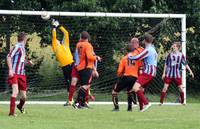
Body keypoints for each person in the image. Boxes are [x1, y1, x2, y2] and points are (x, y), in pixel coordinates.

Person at [128, 33, 157, 112]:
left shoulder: (148, 49)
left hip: (148, 72)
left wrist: (129, 56)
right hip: (152, 72)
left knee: (135, 88)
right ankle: (141, 108)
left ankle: (146, 103)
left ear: (145, 40)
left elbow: (138, 57)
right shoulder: (152, 49)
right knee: (140, 89)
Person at [112, 38, 143, 111]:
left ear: (126, 50)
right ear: (133, 50)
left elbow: (119, 71)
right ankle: (129, 108)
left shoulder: (124, 58)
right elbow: (140, 68)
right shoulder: (137, 58)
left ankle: (116, 108)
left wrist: (120, 76)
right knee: (129, 91)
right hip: (135, 77)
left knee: (114, 92)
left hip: (127, 77)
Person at [73, 31, 101, 108]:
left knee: (84, 85)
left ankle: (81, 103)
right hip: (86, 67)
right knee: (85, 85)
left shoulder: (78, 44)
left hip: (80, 67)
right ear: (87, 38)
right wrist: (97, 58)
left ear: (81, 37)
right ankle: (76, 102)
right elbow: (89, 57)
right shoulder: (88, 45)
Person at [7, 32, 32, 116]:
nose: (26, 41)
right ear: (24, 39)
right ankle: (11, 112)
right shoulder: (17, 47)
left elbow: (21, 61)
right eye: (26, 39)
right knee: (15, 91)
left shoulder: (23, 48)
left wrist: (28, 63)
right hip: (14, 73)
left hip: (22, 74)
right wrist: (10, 70)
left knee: (24, 97)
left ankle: (20, 106)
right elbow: (9, 57)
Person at [51, 20, 74, 106]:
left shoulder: (65, 45)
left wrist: (59, 25)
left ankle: (84, 98)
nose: (56, 40)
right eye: (55, 40)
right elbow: (53, 37)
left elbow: (66, 33)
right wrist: (54, 28)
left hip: (72, 64)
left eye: (57, 39)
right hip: (65, 67)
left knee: (77, 81)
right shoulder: (55, 47)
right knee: (69, 83)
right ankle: (70, 100)